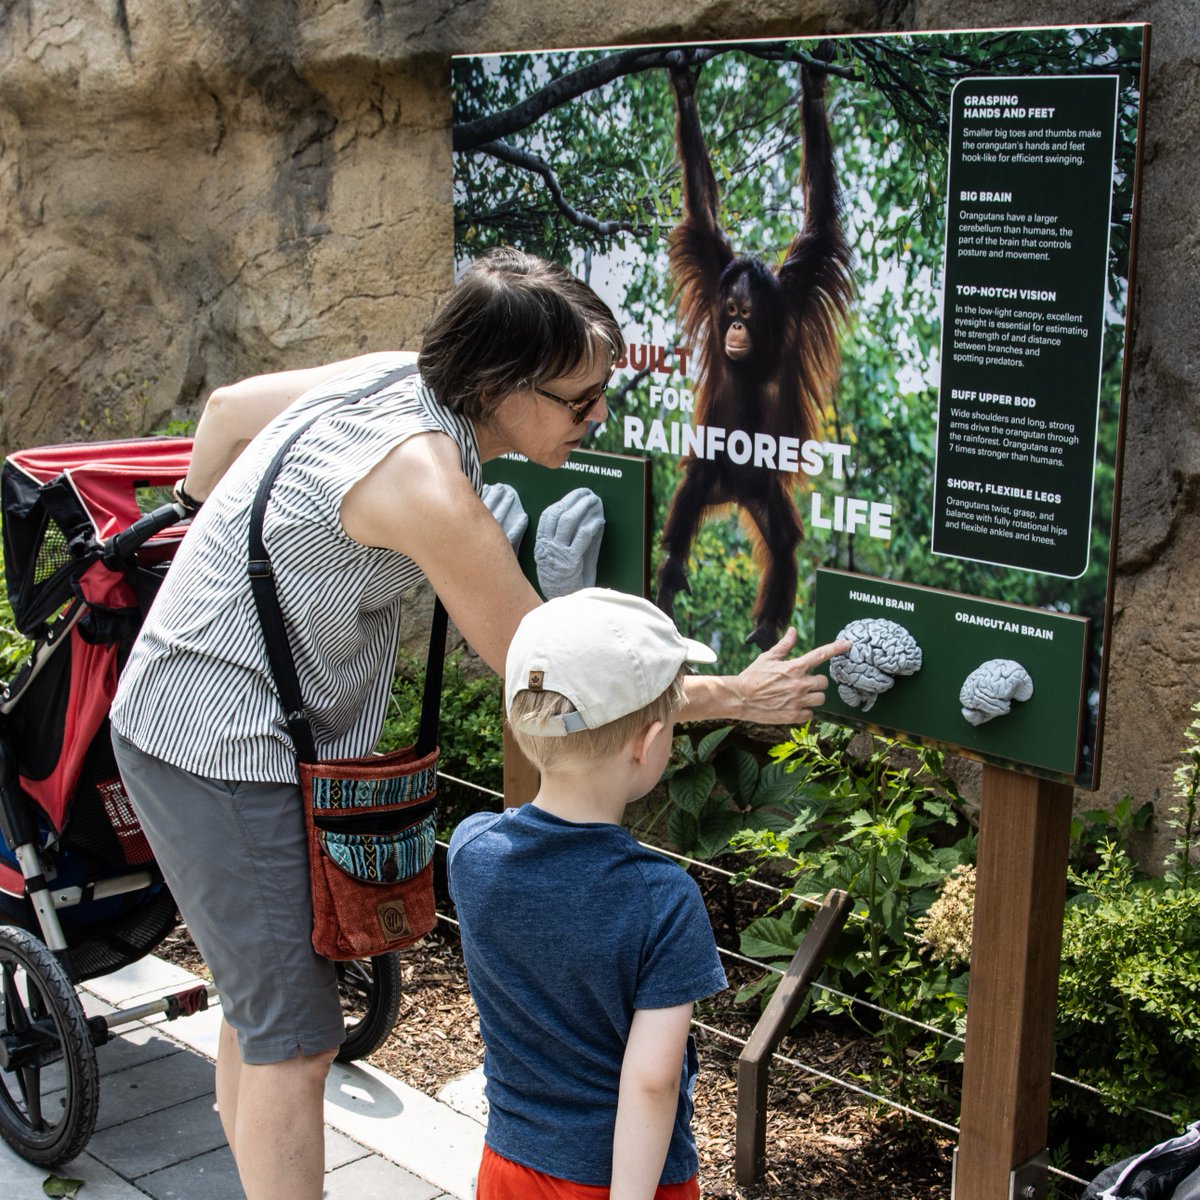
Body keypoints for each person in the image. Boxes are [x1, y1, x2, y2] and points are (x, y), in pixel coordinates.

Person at [109, 246, 847, 1200]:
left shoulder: (392, 376)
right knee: (297, 1040)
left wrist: (200, 524)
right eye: (580, 400)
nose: (599, 417)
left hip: (197, 707)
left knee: (263, 1006)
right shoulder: (432, 490)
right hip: (218, 746)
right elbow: (560, 682)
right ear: (501, 384)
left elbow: (223, 414)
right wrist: (731, 697)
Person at [449, 588, 731, 1200]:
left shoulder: (471, 850)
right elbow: (652, 1083)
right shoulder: (663, 899)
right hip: (628, 1181)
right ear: (648, 741)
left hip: (509, 1164)